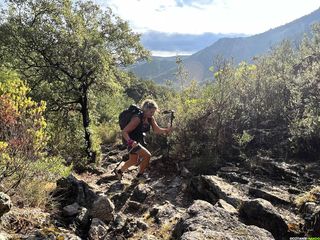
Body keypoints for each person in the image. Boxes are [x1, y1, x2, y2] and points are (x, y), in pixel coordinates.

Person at [115, 99, 172, 180]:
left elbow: (156, 130)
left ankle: (119, 172)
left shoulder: (150, 118)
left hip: (138, 139)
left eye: (154, 112)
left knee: (133, 160)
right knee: (147, 155)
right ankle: (139, 176)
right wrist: (131, 142)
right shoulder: (137, 118)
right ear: (145, 109)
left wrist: (166, 130)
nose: (152, 114)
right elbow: (124, 132)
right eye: (151, 112)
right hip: (130, 140)